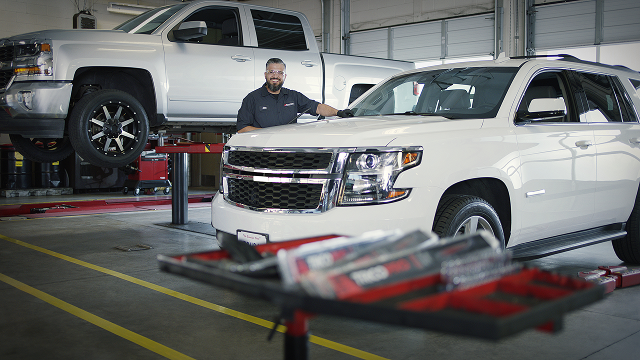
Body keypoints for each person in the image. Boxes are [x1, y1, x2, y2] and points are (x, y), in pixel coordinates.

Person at [236, 58, 353, 133]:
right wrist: (268, 134)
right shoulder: (252, 98)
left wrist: (339, 112)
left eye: (279, 73)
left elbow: (317, 107)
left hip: (288, 149)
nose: (275, 76)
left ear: (284, 76)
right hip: (263, 149)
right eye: (271, 72)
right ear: (265, 75)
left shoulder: (293, 96)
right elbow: (242, 129)